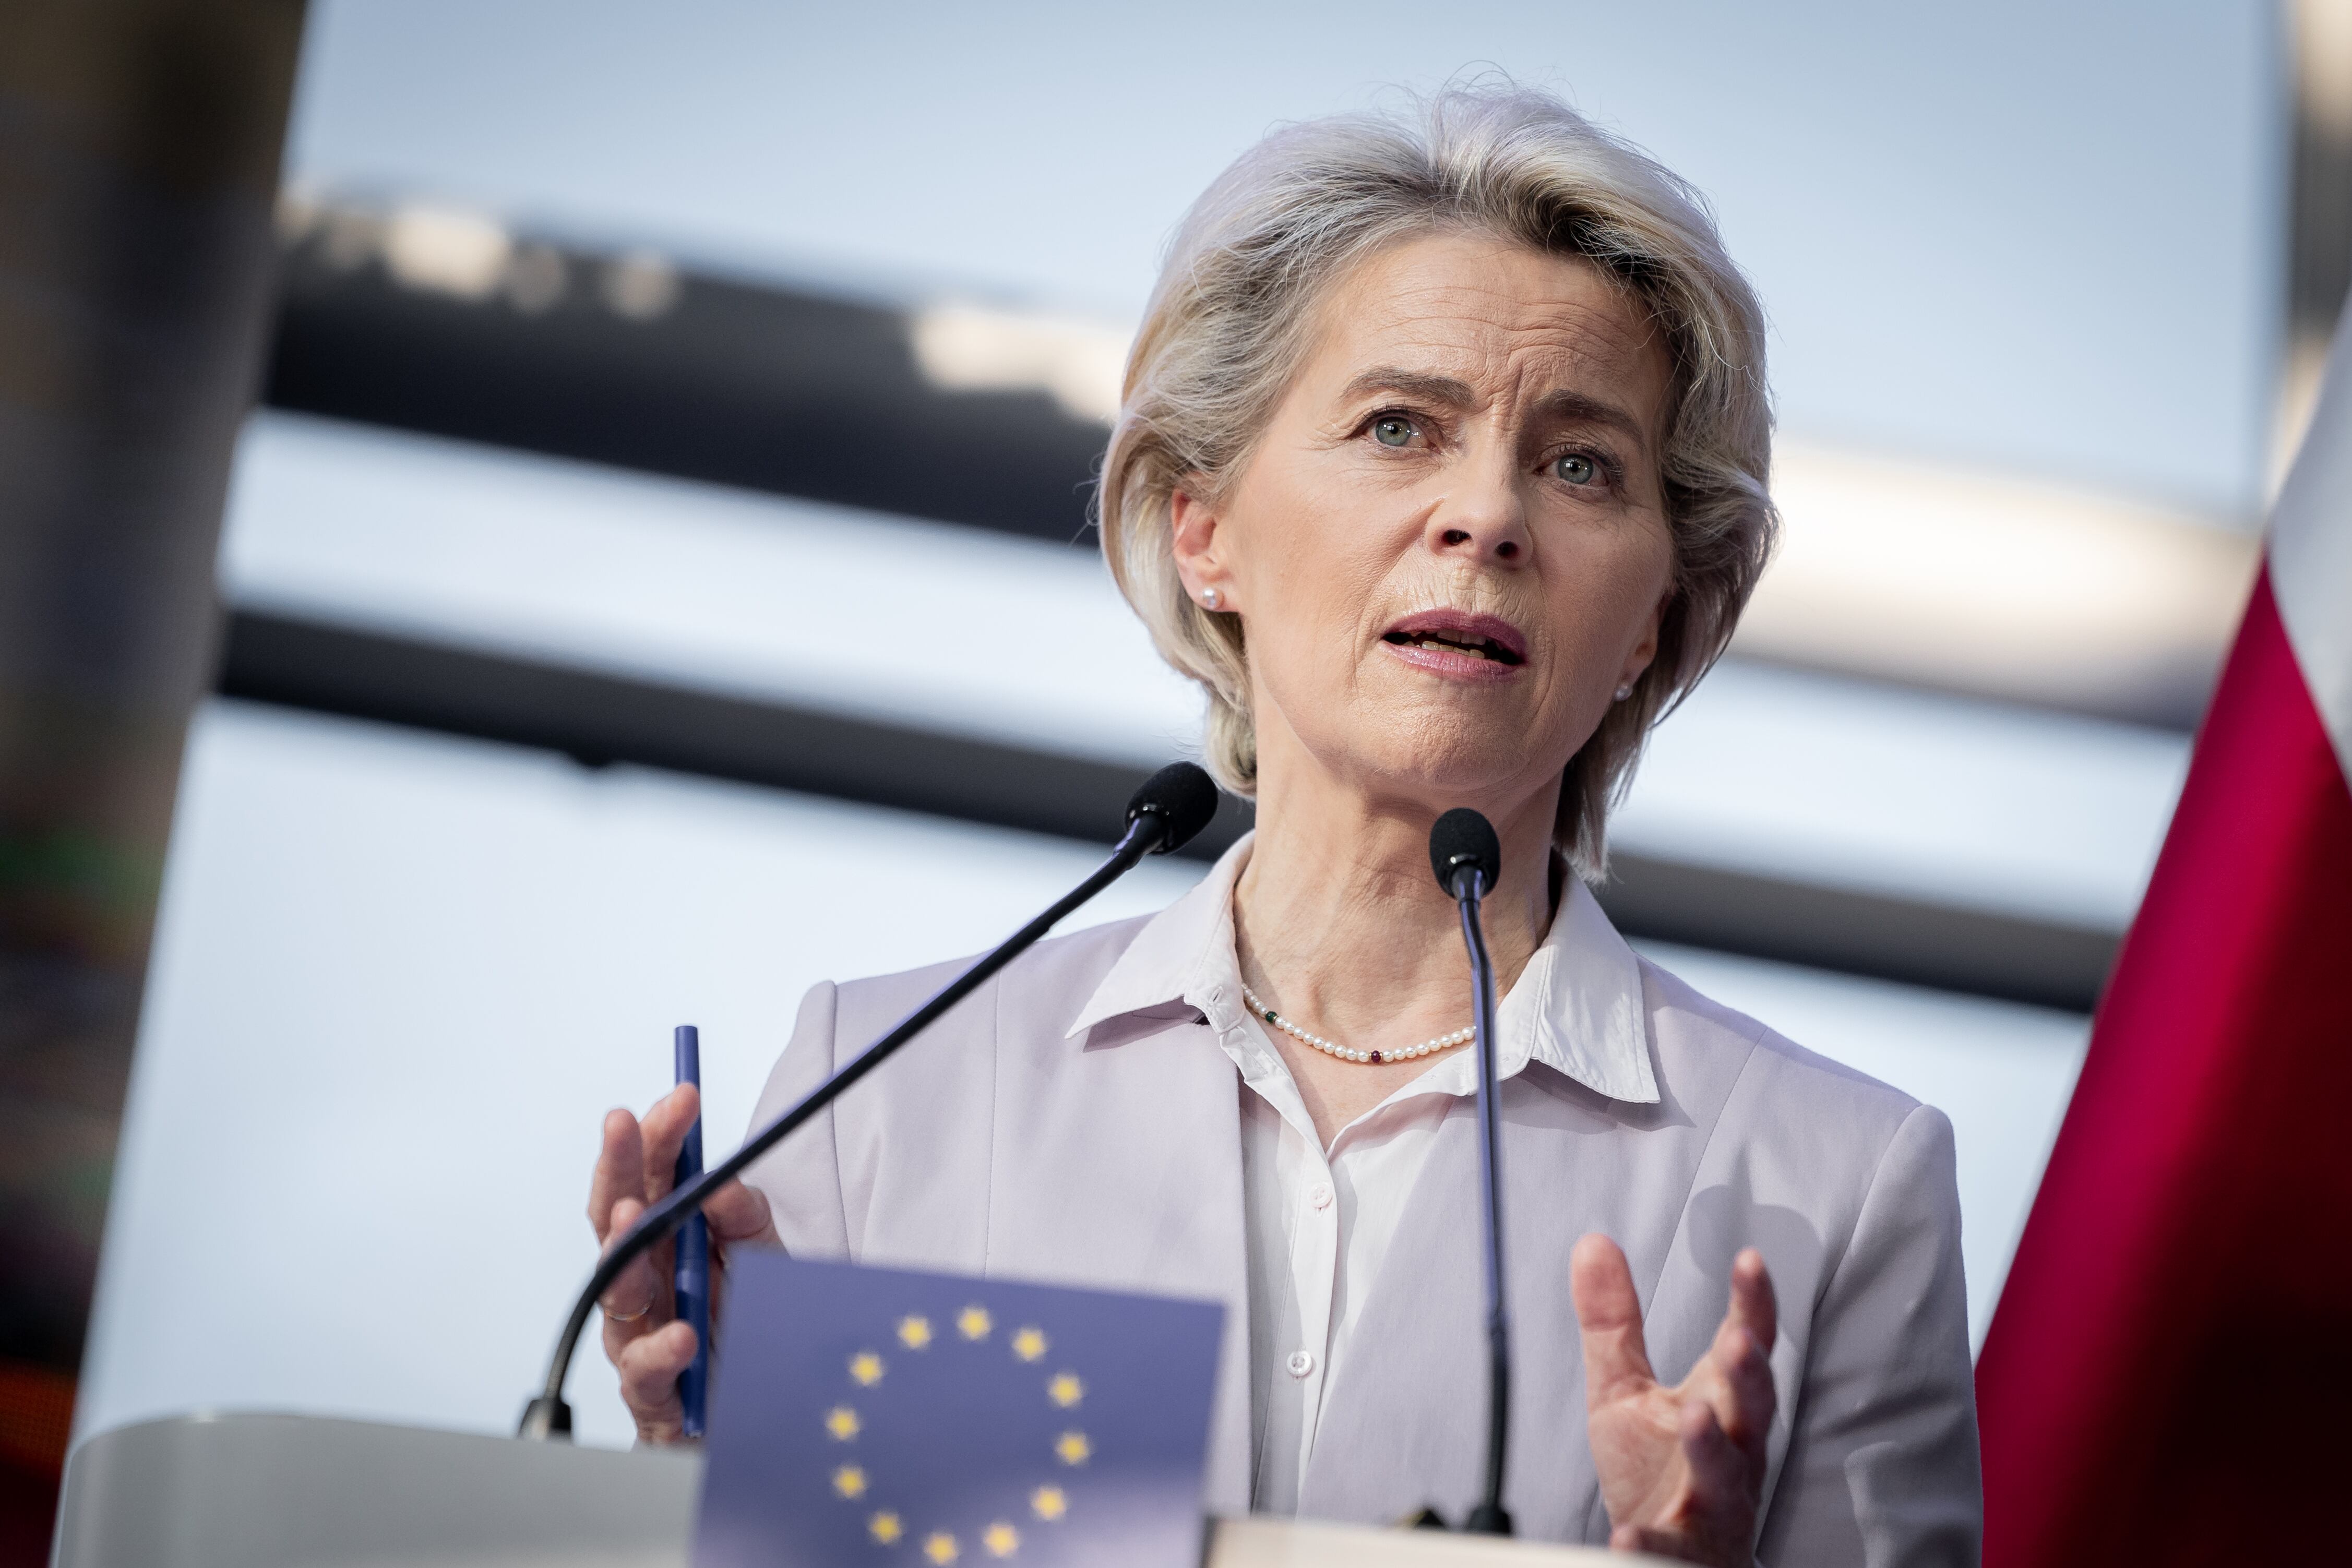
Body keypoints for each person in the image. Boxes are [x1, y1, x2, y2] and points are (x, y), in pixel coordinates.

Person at [584, 82, 1980, 1567]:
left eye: (1581, 464)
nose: (1485, 517)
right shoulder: (885, 1092)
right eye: (1398, 428)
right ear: (1206, 530)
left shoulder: (1837, 1180)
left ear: (1651, 615)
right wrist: (706, 1452)